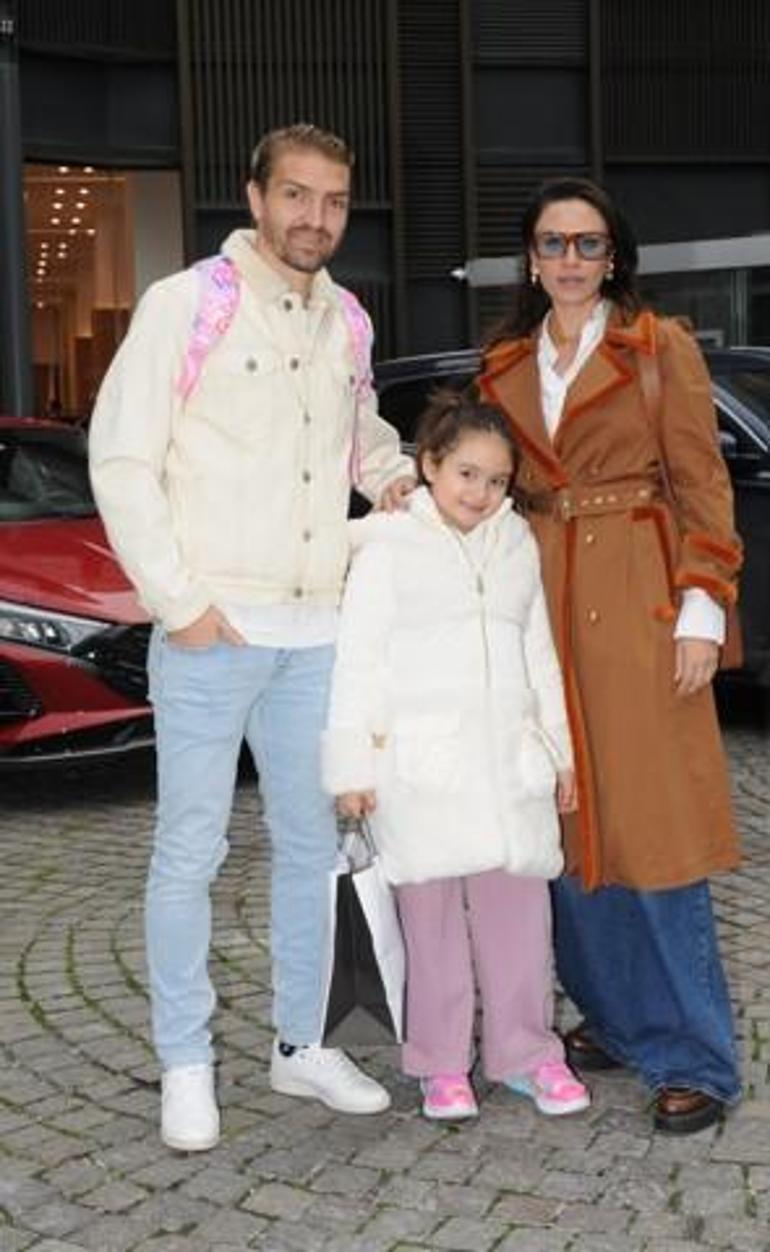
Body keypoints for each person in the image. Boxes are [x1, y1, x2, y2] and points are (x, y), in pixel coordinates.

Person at [89, 123, 416, 1152]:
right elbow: (121, 457)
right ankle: (185, 1062)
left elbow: (361, 437)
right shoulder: (187, 304)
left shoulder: (348, 319)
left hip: (316, 634)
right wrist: (177, 600)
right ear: (256, 196)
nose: (315, 217)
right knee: (190, 850)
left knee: (311, 850)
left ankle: (300, 1043)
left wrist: (398, 479)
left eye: (334, 200)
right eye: (297, 195)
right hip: (212, 630)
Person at [478, 176, 742, 1135]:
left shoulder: (658, 348)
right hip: (538, 598)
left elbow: (703, 483)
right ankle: (620, 1017)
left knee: (656, 831)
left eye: (588, 244)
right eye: (553, 243)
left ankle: (695, 1054)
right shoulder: (503, 366)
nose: (571, 260)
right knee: (565, 822)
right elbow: (481, 488)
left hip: (639, 600)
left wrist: (701, 608)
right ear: (531, 258)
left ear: (614, 256)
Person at [322, 390, 591, 1121]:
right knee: (431, 927)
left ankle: (527, 1053)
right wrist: (351, 769)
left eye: (497, 480)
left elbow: (539, 655)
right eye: (467, 473)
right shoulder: (387, 549)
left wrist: (559, 752)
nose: (480, 492)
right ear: (431, 466)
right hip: (422, 772)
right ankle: (439, 1063)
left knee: (521, 924)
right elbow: (358, 662)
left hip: (507, 769)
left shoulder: (517, 544)